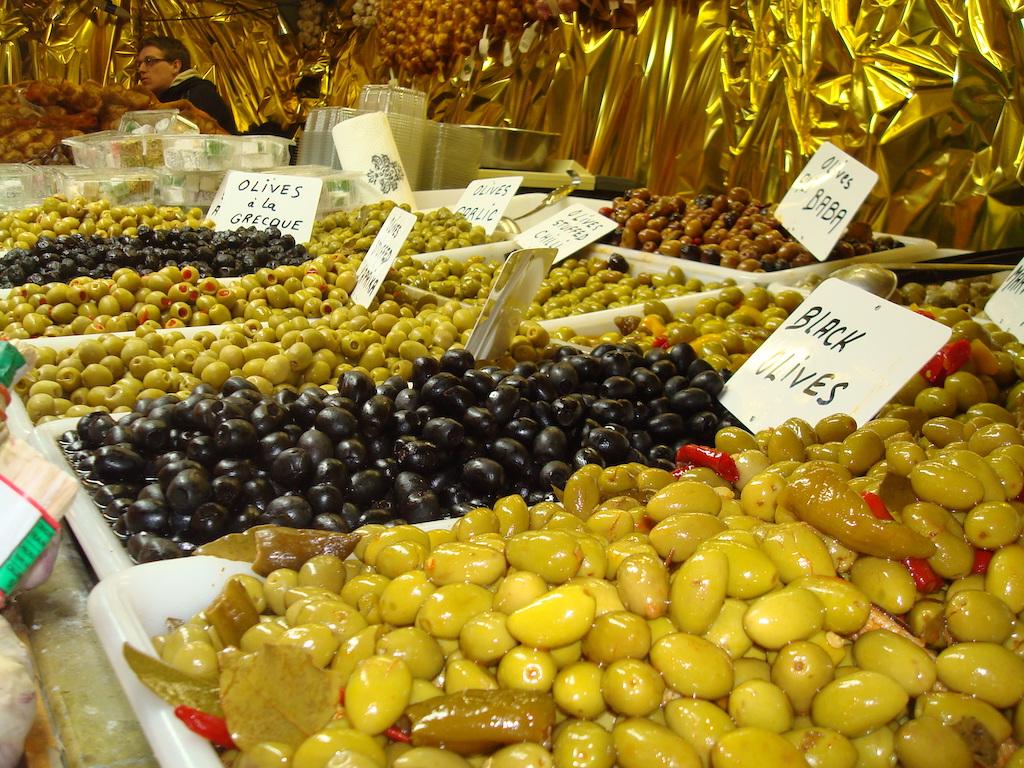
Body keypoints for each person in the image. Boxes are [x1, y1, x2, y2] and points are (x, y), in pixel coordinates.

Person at [134, 36, 238, 134]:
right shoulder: (158, 99)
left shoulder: (199, 95)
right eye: (139, 64)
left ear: (175, 66)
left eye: (149, 61)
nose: (141, 69)